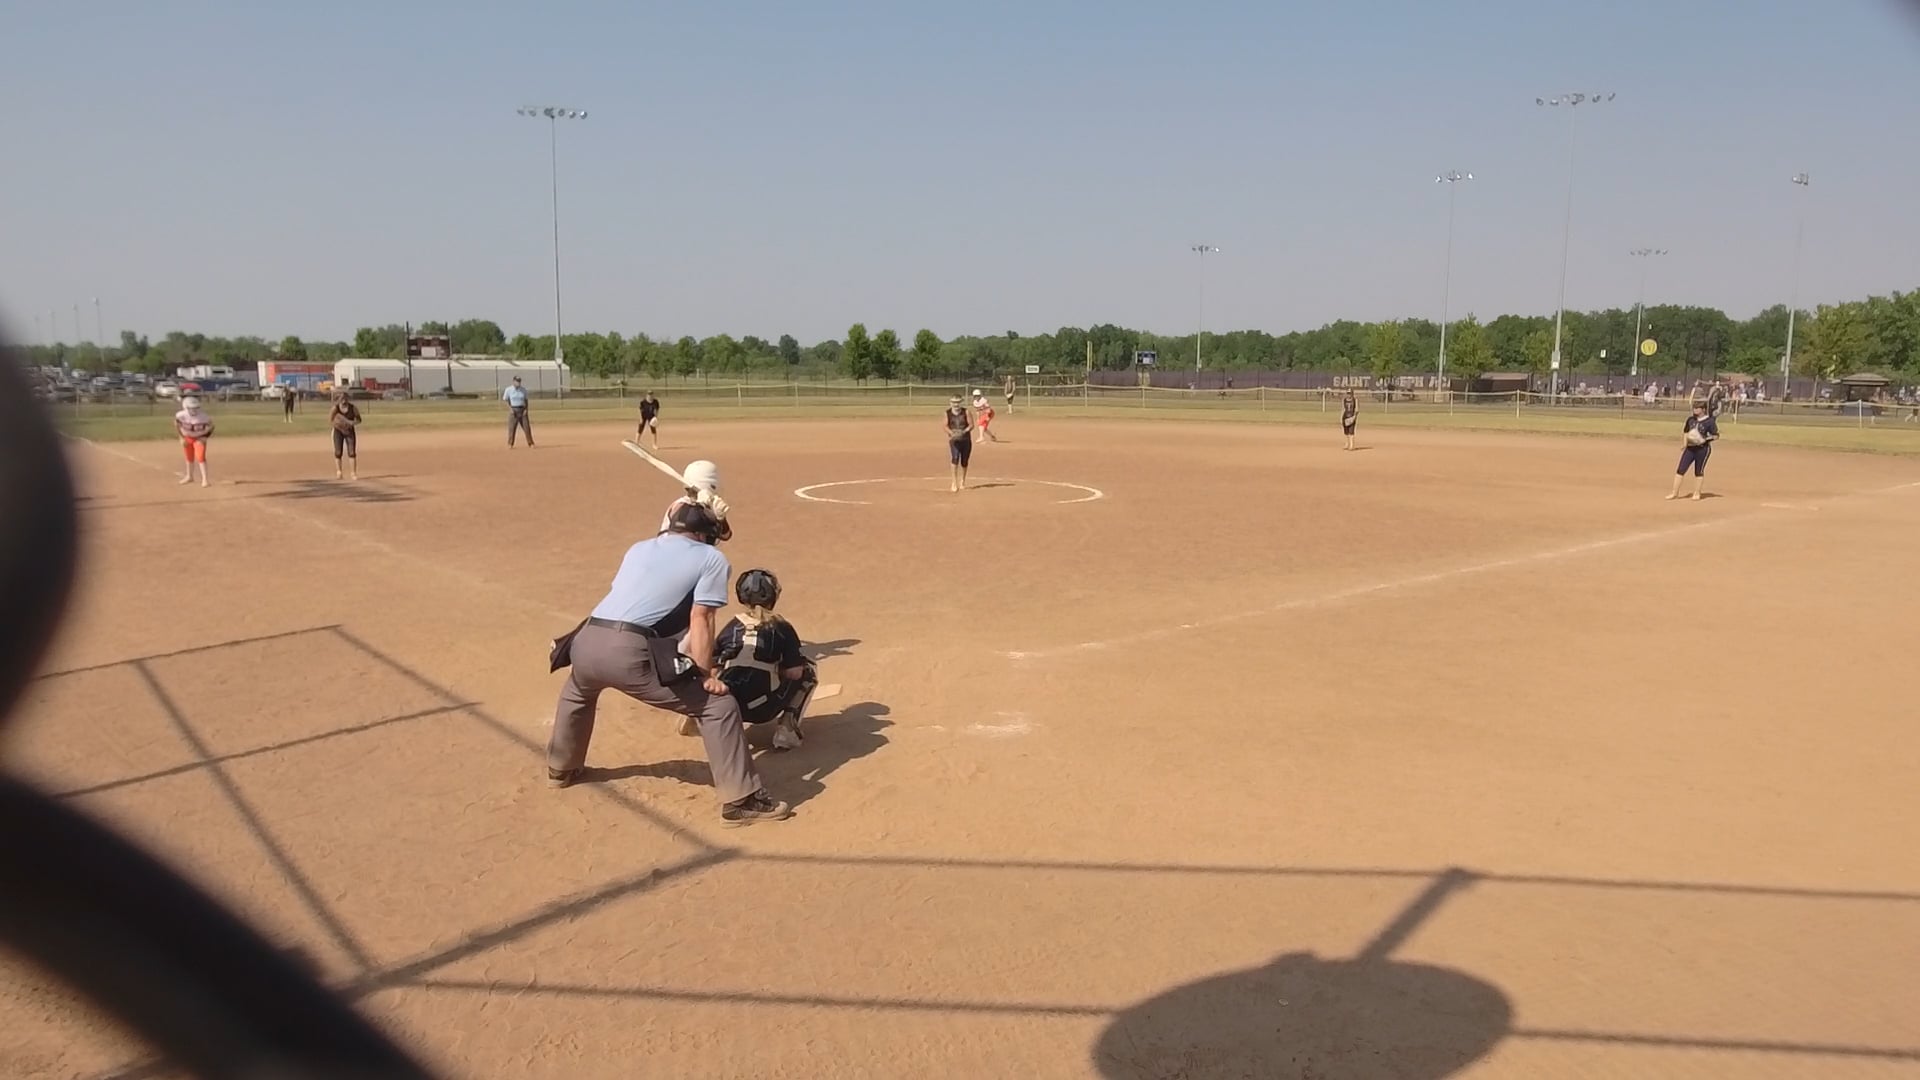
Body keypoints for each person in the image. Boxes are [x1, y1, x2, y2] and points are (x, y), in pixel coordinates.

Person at [547, 502, 790, 826]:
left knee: (578, 692)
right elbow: (702, 618)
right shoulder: (711, 558)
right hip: (627, 650)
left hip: (585, 639)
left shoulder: (639, 548)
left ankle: (561, 768)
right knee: (717, 706)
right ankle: (741, 801)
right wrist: (704, 674)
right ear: (706, 535)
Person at [715, 568, 816, 753]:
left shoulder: (732, 626)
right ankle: (787, 731)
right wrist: (776, 669)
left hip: (728, 706)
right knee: (808, 670)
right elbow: (795, 672)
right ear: (774, 596)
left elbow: (712, 664)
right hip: (763, 709)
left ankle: (701, 717)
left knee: (711, 671)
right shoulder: (781, 626)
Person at [658, 460, 733, 543]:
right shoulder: (680, 506)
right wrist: (699, 506)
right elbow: (687, 525)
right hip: (672, 549)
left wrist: (721, 519)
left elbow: (726, 535)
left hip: (695, 550)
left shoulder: (708, 507)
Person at [1667, 402, 1720, 501]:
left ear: (1703, 409)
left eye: (1697, 408)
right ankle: (1674, 493)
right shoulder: (1691, 420)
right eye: (1694, 408)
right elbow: (1686, 432)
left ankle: (1697, 493)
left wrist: (1704, 439)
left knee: (1698, 471)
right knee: (1680, 469)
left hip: (1702, 449)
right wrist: (1685, 444)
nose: (1695, 410)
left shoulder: (1709, 421)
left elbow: (1716, 435)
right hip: (1690, 449)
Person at [173, 396, 214, 487]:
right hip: (187, 437)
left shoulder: (204, 416)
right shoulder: (180, 415)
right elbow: (176, 424)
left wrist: (206, 436)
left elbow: (212, 426)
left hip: (199, 437)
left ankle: (205, 479)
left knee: (200, 457)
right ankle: (189, 476)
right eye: (191, 408)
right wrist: (181, 437)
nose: (194, 410)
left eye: (196, 408)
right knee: (189, 457)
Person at [328, 391, 362, 480]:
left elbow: (359, 420)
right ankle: (339, 472)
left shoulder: (353, 408)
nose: (343, 400)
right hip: (338, 431)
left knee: (352, 452)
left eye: (345, 398)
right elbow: (330, 420)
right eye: (341, 398)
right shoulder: (335, 408)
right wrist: (338, 424)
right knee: (338, 452)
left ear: (347, 399)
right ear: (339, 399)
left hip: (349, 431)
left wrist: (352, 423)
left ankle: (353, 473)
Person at [944, 395, 973, 492]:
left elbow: (971, 425)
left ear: (961, 402)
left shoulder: (966, 412)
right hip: (954, 441)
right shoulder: (947, 413)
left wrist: (963, 432)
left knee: (964, 461)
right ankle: (954, 482)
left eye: (958, 402)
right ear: (950, 403)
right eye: (953, 402)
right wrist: (952, 433)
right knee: (955, 458)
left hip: (965, 440)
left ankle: (963, 481)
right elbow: (945, 426)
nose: (956, 404)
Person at [502, 376, 534, 448]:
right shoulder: (509, 390)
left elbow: (526, 400)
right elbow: (506, 400)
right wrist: (510, 409)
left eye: (519, 381)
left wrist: (526, 409)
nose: (518, 383)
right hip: (513, 410)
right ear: (513, 381)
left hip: (522, 409)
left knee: (526, 427)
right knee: (512, 428)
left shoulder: (523, 390)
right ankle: (510, 444)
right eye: (517, 381)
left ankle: (530, 443)